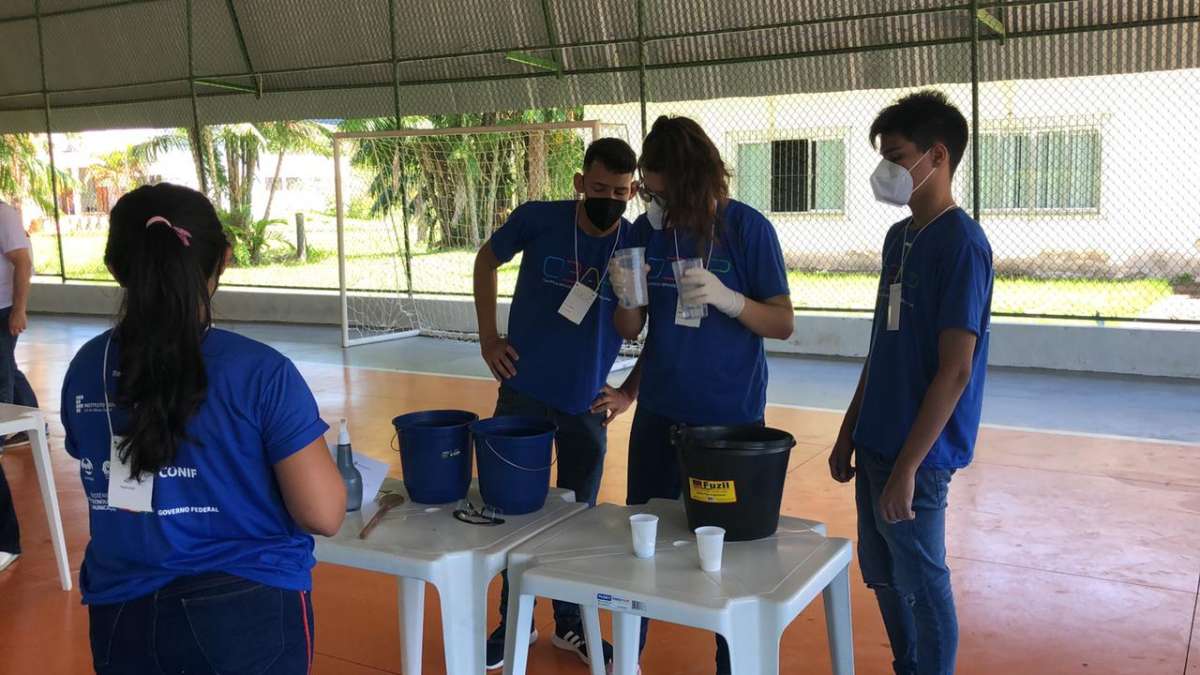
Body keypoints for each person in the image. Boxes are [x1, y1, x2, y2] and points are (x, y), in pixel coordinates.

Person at [60, 183, 346, 674]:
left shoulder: (88, 366)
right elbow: (323, 513)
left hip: (122, 615)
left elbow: (101, 463)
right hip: (245, 612)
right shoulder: (261, 373)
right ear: (224, 262)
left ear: (115, 268)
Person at [609, 115, 794, 674]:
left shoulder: (746, 230)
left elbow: (782, 322)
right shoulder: (646, 234)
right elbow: (635, 331)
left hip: (727, 422)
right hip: (661, 412)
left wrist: (731, 300)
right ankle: (628, 656)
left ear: (692, 182)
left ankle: (731, 661)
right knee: (644, 534)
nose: (651, 200)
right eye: (647, 188)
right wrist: (627, 296)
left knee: (728, 550)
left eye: (659, 190)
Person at [827, 90, 993, 675]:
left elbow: (955, 370)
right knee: (883, 574)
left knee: (922, 578)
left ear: (937, 157)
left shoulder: (963, 246)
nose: (885, 171)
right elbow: (882, 345)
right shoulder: (899, 240)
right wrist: (849, 429)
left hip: (916, 456)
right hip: (876, 439)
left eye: (895, 157)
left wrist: (906, 470)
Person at [473, 137, 642, 671]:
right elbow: (486, 259)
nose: (608, 200)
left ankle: (571, 624)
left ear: (633, 191)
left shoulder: (634, 246)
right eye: (598, 189)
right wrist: (487, 339)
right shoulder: (540, 219)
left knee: (579, 521)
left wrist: (629, 391)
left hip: (586, 403)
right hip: (522, 389)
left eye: (619, 191)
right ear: (579, 184)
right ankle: (513, 623)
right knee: (510, 512)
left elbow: (645, 328)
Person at [0, 198, 36, 575]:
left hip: (3, 307)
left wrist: (19, 309)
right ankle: (31, 424)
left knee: (0, 375)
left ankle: (6, 429)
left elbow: (22, 261)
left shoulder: (3, 214)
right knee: (6, 366)